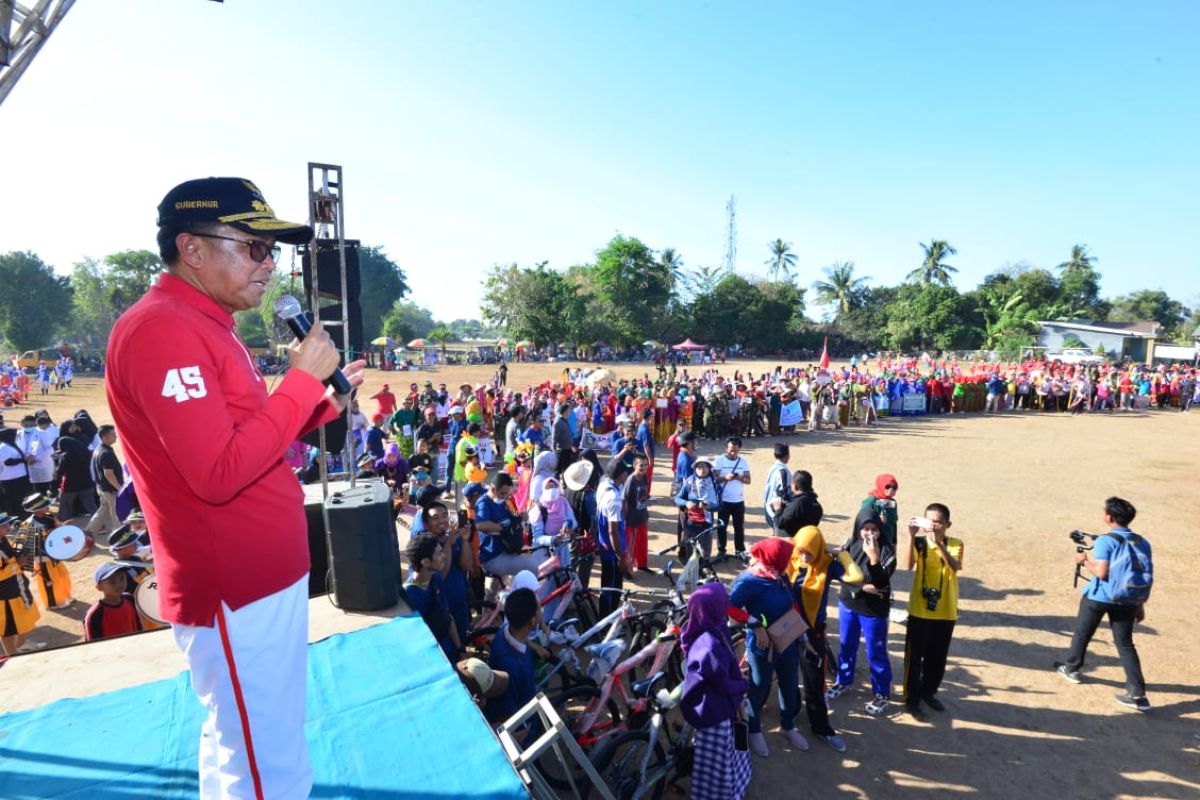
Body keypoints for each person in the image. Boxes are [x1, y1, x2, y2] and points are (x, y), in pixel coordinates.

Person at [106, 177, 366, 799]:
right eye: (253, 247)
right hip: (235, 586)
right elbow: (217, 474)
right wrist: (299, 384)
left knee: (247, 743)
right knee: (265, 768)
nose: (269, 264)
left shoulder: (207, 324)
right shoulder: (163, 329)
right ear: (192, 249)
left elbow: (246, 441)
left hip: (258, 579)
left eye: (271, 250)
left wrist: (316, 404)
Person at [1054, 496, 1152, 711]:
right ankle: (1138, 694)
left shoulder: (1105, 541)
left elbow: (1101, 572)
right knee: (1125, 645)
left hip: (1099, 597)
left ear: (1109, 517)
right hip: (1128, 600)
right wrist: (1139, 604)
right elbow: (1139, 574)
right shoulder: (1142, 542)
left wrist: (1084, 561)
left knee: (1082, 633)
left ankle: (1071, 669)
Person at [729, 537, 808, 758]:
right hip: (762, 646)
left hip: (788, 641)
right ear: (775, 558)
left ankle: (788, 726)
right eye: (785, 557)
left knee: (790, 684)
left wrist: (801, 633)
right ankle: (754, 730)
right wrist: (754, 623)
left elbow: (791, 602)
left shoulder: (779, 575)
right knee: (759, 687)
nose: (789, 561)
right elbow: (730, 607)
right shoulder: (750, 580)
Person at [786, 525, 857, 751]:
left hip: (813, 633)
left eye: (810, 552)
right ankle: (792, 710)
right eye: (801, 550)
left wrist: (841, 554)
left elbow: (856, 577)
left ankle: (821, 727)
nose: (805, 556)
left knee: (814, 682)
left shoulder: (828, 565)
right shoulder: (791, 560)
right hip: (787, 629)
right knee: (787, 677)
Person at [679, 581, 752, 799]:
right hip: (713, 711)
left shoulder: (710, 625)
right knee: (716, 761)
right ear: (714, 608)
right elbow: (723, 684)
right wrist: (744, 684)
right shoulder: (710, 645)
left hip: (713, 703)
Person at [828, 509, 897, 717]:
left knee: (875, 651)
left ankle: (882, 693)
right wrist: (861, 588)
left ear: (880, 530)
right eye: (865, 529)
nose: (869, 534)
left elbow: (882, 583)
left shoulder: (887, 551)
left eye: (874, 529)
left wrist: (874, 559)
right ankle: (844, 680)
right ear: (858, 529)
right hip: (848, 603)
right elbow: (839, 573)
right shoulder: (850, 544)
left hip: (874, 611)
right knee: (846, 645)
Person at [899, 501, 963, 719]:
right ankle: (912, 699)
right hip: (920, 610)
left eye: (939, 522)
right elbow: (906, 566)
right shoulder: (919, 543)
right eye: (931, 521)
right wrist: (910, 536)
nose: (935, 526)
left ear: (948, 524)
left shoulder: (955, 543)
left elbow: (955, 566)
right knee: (914, 658)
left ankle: (929, 692)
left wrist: (939, 544)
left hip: (945, 610)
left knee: (938, 657)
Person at [485, 587, 539, 724]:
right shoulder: (511, 666)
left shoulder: (504, 631)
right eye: (539, 609)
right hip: (522, 725)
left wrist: (536, 647)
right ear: (532, 621)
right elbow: (507, 713)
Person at [403, 532, 460, 660]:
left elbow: (447, 616)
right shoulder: (408, 595)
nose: (444, 556)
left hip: (449, 651)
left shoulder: (436, 578)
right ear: (425, 562)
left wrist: (460, 649)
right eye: (439, 553)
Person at [475, 472, 541, 579]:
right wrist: (502, 527)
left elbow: (509, 520)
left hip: (506, 550)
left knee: (494, 590)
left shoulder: (500, 500)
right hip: (493, 556)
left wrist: (520, 517)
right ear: (493, 489)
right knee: (533, 566)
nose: (505, 497)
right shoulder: (484, 503)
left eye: (507, 494)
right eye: (503, 493)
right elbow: (480, 525)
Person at [596, 458, 633, 617]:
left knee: (609, 583)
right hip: (612, 549)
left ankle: (607, 616)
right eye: (626, 472)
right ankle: (607, 619)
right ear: (622, 475)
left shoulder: (604, 483)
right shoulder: (613, 499)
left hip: (605, 544)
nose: (627, 474)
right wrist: (621, 556)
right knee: (611, 587)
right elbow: (613, 531)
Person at [0, 513, 41, 654]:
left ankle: (22, 642)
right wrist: (17, 563)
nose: (8, 526)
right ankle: (11, 654)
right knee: (7, 628)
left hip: (18, 586)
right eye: (3, 525)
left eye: (7, 523)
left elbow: (13, 557)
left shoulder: (4, 539)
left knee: (26, 616)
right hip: (4, 596)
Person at [713, 436, 752, 562]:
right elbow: (714, 480)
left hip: (738, 501)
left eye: (735, 450)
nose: (733, 452)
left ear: (739, 449)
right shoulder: (719, 461)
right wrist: (726, 478)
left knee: (739, 527)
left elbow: (748, 480)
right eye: (730, 450)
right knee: (721, 527)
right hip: (723, 500)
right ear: (726, 448)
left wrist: (738, 477)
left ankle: (740, 550)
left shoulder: (743, 462)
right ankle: (721, 551)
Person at [83, 561, 143, 642]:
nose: (119, 584)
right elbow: (93, 644)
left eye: (122, 578)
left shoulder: (130, 599)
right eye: (112, 582)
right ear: (99, 587)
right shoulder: (95, 614)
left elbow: (138, 625)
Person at [674, 457, 721, 560]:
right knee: (690, 551)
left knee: (705, 551)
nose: (702, 469)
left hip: (707, 522)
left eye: (704, 467)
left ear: (709, 469)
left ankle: (704, 568)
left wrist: (709, 507)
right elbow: (677, 498)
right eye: (698, 467)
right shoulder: (689, 482)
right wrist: (686, 503)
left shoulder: (715, 485)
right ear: (695, 469)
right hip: (690, 522)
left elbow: (719, 506)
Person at [86, 425, 124, 538]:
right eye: (113, 435)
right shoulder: (106, 453)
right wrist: (120, 488)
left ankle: (88, 532)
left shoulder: (99, 449)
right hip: (110, 489)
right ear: (105, 438)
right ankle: (120, 537)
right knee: (116, 513)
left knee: (103, 511)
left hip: (102, 487)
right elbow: (108, 474)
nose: (116, 436)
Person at [623, 454, 651, 571]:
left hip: (642, 517)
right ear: (634, 465)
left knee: (642, 544)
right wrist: (627, 518)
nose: (644, 467)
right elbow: (624, 499)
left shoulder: (644, 477)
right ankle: (627, 569)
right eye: (641, 465)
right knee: (630, 547)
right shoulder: (631, 480)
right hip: (632, 520)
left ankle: (642, 565)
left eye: (645, 465)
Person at [776, 470, 823, 536]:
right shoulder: (817, 505)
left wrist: (778, 509)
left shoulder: (796, 505)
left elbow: (780, 524)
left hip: (791, 541)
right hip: (806, 539)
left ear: (795, 487)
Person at [860, 473, 900, 548]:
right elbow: (862, 522)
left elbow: (894, 524)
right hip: (874, 542)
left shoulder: (893, 502)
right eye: (887, 486)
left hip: (888, 542)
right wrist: (878, 521)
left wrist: (894, 542)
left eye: (894, 487)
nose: (891, 489)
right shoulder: (870, 501)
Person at [762, 443, 791, 536]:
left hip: (768, 504)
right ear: (787, 455)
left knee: (776, 532)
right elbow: (783, 492)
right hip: (776, 507)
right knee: (779, 535)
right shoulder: (782, 471)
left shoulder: (773, 468)